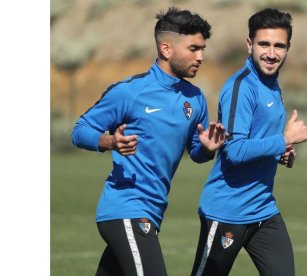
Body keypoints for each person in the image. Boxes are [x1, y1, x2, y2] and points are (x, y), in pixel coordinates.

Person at [71, 7, 225, 276]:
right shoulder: (130, 92)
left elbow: (197, 153)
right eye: (193, 48)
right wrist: (108, 141)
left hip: (153, 211)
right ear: (166, 49)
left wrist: (208, 149)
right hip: (125, 209)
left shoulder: (196, 98)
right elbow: (80, 129)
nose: (201, 57)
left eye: (203, 49)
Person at [191, 8, 307, 276]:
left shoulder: (272, 84)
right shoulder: (241, 87)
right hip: (227, 212)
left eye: (279, 46)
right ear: (249, 45)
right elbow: (235, 151)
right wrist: (284, 139)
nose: (271, 53)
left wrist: (282, 152)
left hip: (264, 210)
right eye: (264, 44)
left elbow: (258, 142)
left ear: (288, 48)